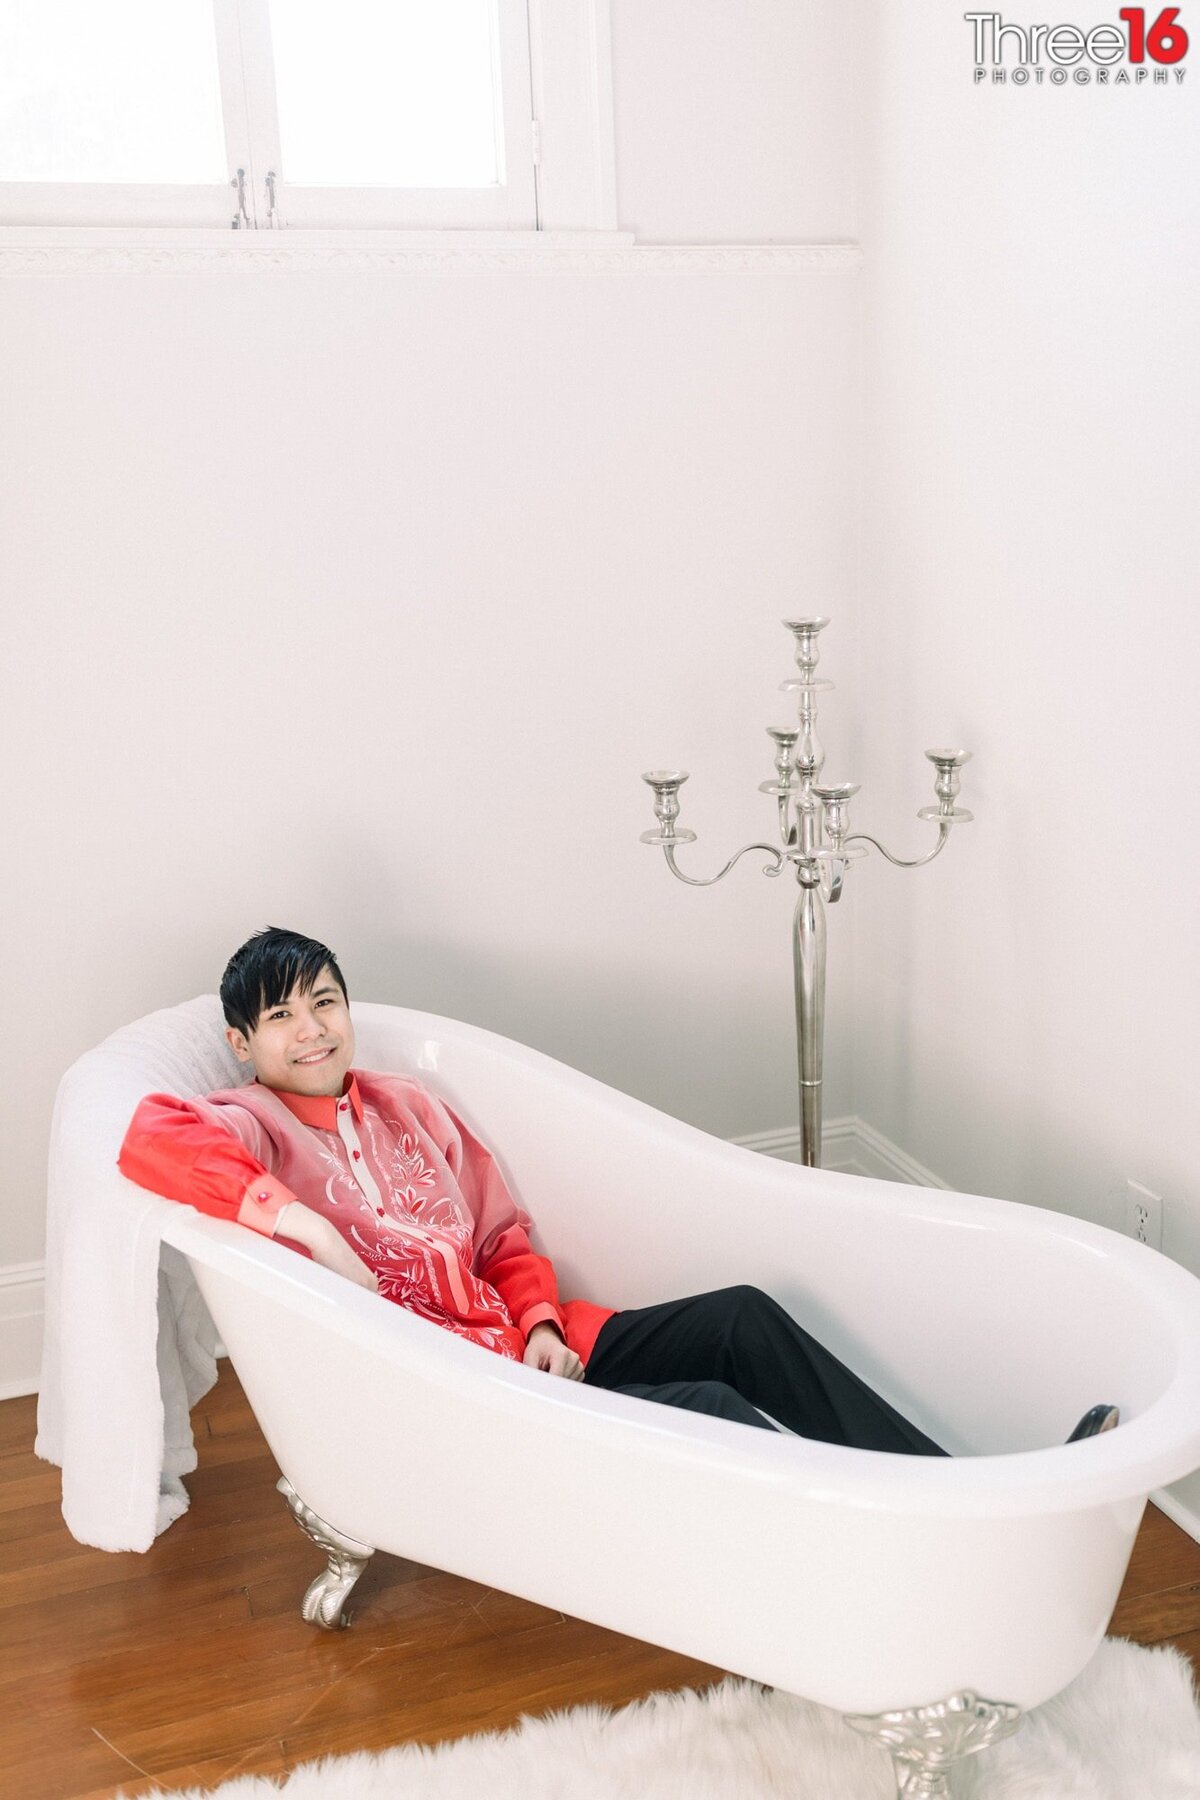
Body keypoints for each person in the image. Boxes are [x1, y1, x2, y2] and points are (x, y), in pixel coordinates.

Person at [118, 928, 1118, 1452]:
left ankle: (950, 1492)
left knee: (744, 1320)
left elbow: (502, 1236)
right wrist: (298, 1221)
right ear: (244, 1045)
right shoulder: (245, 1121)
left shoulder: (412, 1105)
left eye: (326, 1001)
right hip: (452, 1384)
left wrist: (546, 1324)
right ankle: (894, 1539)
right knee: (714, 1405)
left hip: (531, 1349)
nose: (314, 1029)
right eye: (282, 1018)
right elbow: (143, 1137)